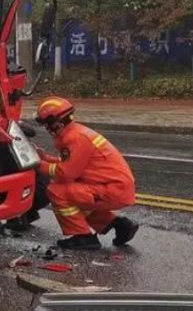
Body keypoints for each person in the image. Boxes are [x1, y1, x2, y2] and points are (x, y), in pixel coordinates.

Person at [35, 96, 139, 250]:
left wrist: (37, 164)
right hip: (113, 185)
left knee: (58, 190)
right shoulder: (76, 133)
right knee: (73, 194)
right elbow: (72, 164)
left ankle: (82, 237)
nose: (47, 129)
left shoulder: (76, 138)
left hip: (112, 188)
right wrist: (46, 159)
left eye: (47, 125)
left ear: (57, 123)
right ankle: (118, 224)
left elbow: (66, 172)